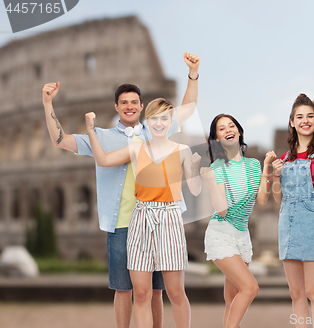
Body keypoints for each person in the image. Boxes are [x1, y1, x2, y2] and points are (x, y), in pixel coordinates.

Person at [42, 52, 200, 328]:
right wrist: (47, 103)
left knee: (156, 290)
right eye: (124, 102)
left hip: (162, 217)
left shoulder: (155, 128)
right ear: (116, 106)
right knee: (124, 289)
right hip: (120, 221)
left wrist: (193, 74)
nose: (129, 106)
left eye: (134, 102)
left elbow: (188, 107)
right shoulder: (101, 137)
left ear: (141, 107)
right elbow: (60, 140)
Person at [85, 97, 201, 328]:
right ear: (147, 121)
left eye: (164, 118)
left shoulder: (183, 150)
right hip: (141, 218)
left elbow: (195, 191)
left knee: (176, 292)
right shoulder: (137, 148)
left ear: (171, 121)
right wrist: (90, 130)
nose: (159, 123)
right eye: (154, 118)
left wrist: (195, 169)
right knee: (141, 294)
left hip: (169, 218)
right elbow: (104, 160)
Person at [271, 94, 314, 328]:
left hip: (312, 219)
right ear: (291, 122)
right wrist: (276, 176)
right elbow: (279, 198)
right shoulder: (284, 157)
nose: (305, 120)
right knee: (296, 293)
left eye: (311, 116)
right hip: (287, 221)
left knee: (313, 291)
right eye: (299, 117)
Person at [200, 114, 276, 328]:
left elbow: (261, 199)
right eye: (221, 129)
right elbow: (222, 210)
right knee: (250, 288)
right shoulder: (217, 168)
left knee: (232, 299)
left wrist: (267, 168)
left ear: (239, 131)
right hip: (221, 234)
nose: (228, 130)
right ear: (217, 139)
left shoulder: (253, 165)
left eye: (231, 126)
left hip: (242, 236)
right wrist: (211, 182)